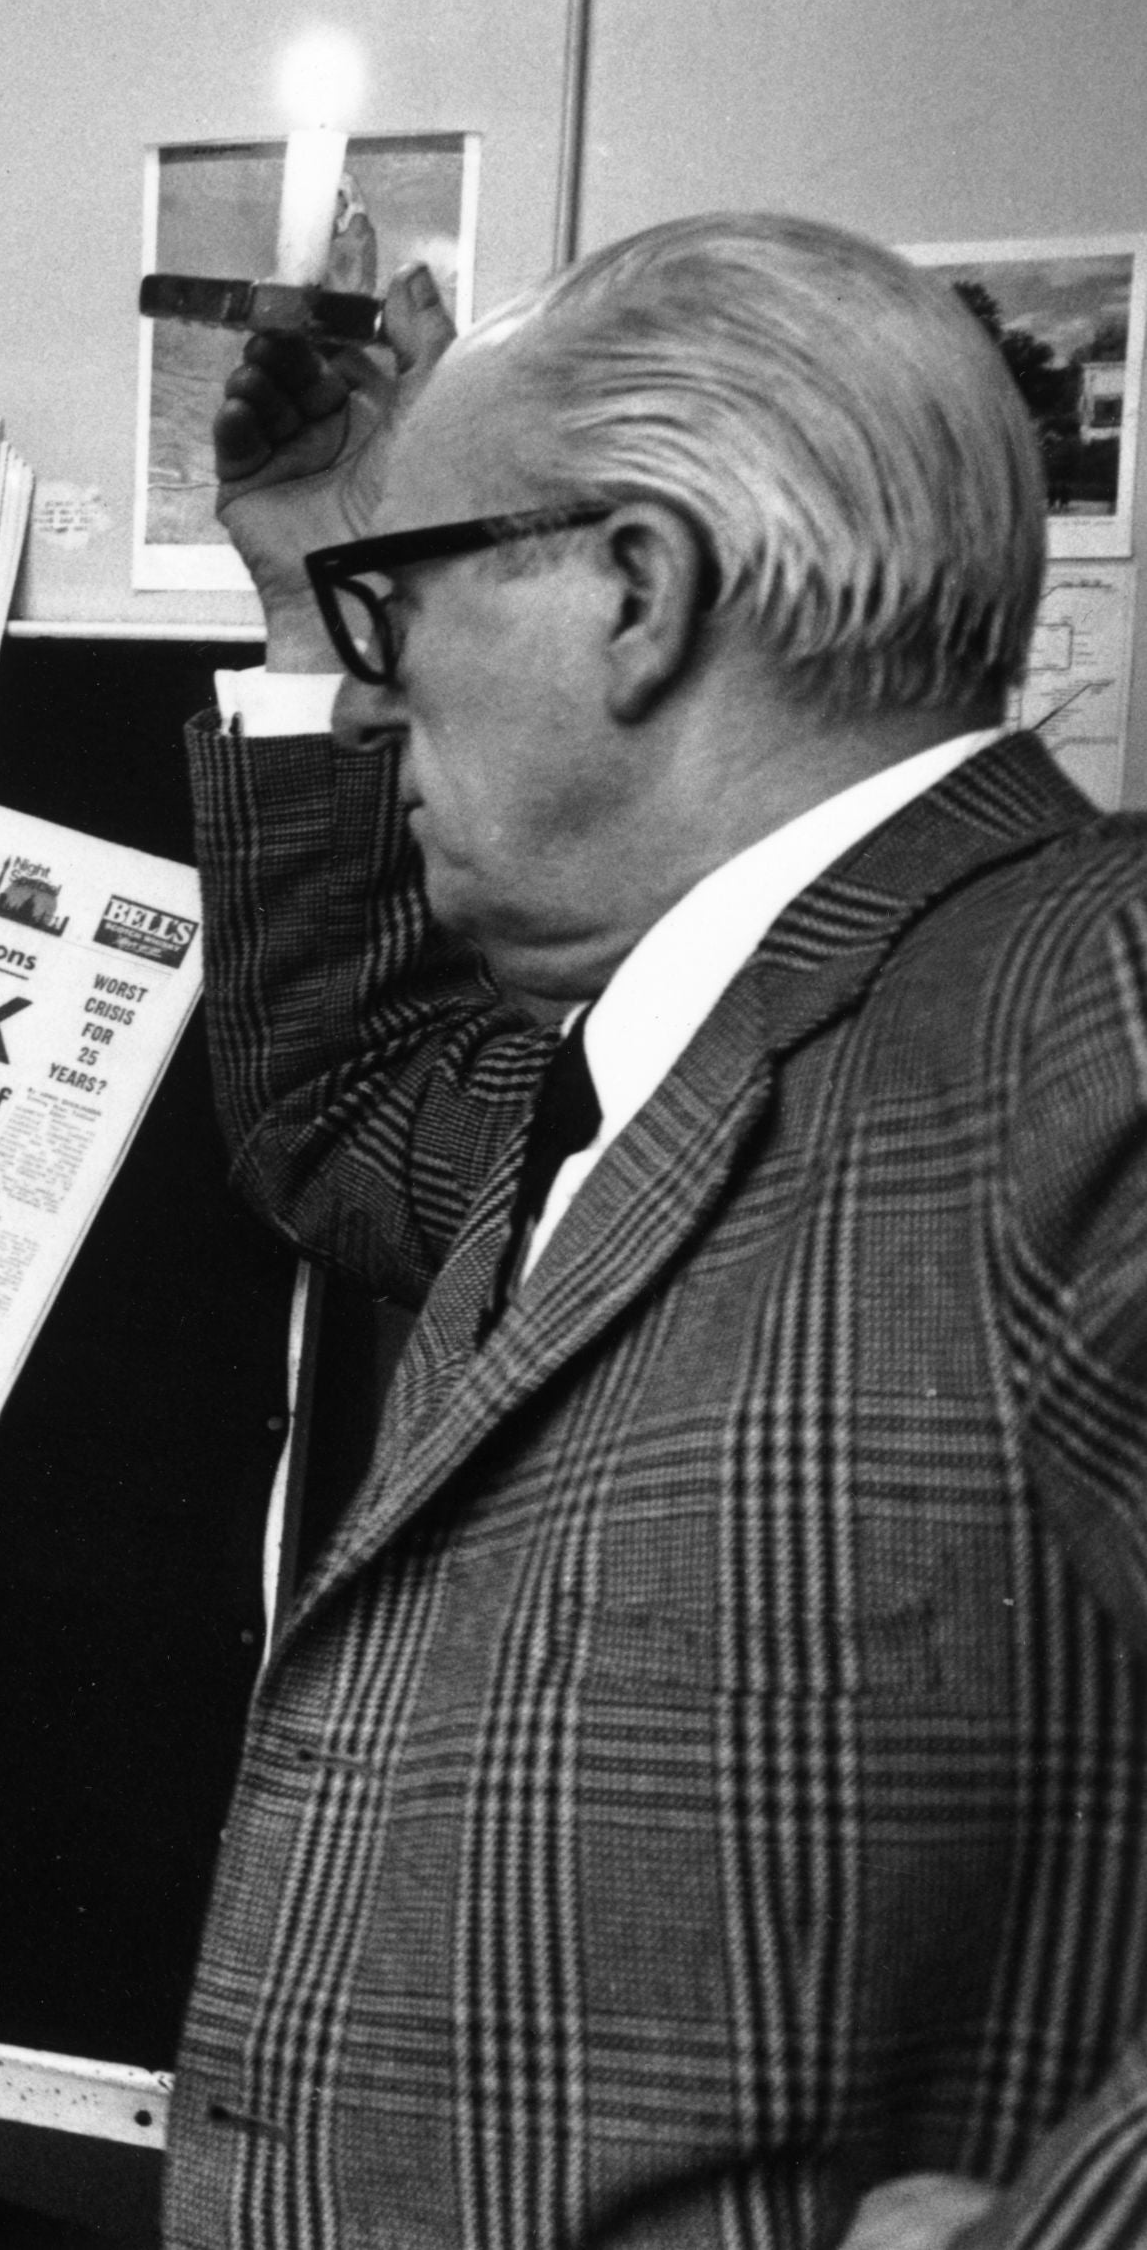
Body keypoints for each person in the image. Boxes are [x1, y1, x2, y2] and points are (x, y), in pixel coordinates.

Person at [181, 210, 1147, 2248]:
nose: (367, 712)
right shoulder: (648, 1064)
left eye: (394, 609)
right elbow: (342, 1108)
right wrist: (301, 584)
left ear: (636, 590)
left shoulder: (1097, 989)